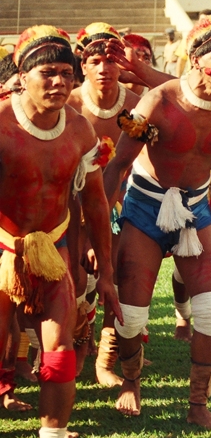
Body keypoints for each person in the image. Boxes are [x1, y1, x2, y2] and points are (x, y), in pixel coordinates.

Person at [102, 15, 211, 429]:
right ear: (198, 61)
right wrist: (97, 232)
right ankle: (131, 380)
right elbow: (116, 168)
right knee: (131, 315)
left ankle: (198, 403)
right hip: (145, 206)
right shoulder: (159, 100)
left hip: (196, 209)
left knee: (209, 309)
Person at [0, 25, 121, 438]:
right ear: (22, 76)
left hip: (53, 248)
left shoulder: (80, 128)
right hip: (3, 246)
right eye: (47, 73)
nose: (59, 83)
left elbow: (95, 203)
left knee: (60, 352)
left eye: (66, 75)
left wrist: (105, 272)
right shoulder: (2, 126)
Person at [65, 23, 142, 387]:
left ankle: (105, 361)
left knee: (120, 278)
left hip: (123, 203)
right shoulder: (71, 104)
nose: (103, 69)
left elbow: (137, 159)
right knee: (77, 281)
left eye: (111, 60)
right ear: (83, 65)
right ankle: (74, 343)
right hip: (72, 204)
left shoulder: (136, 106)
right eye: (95, 60)